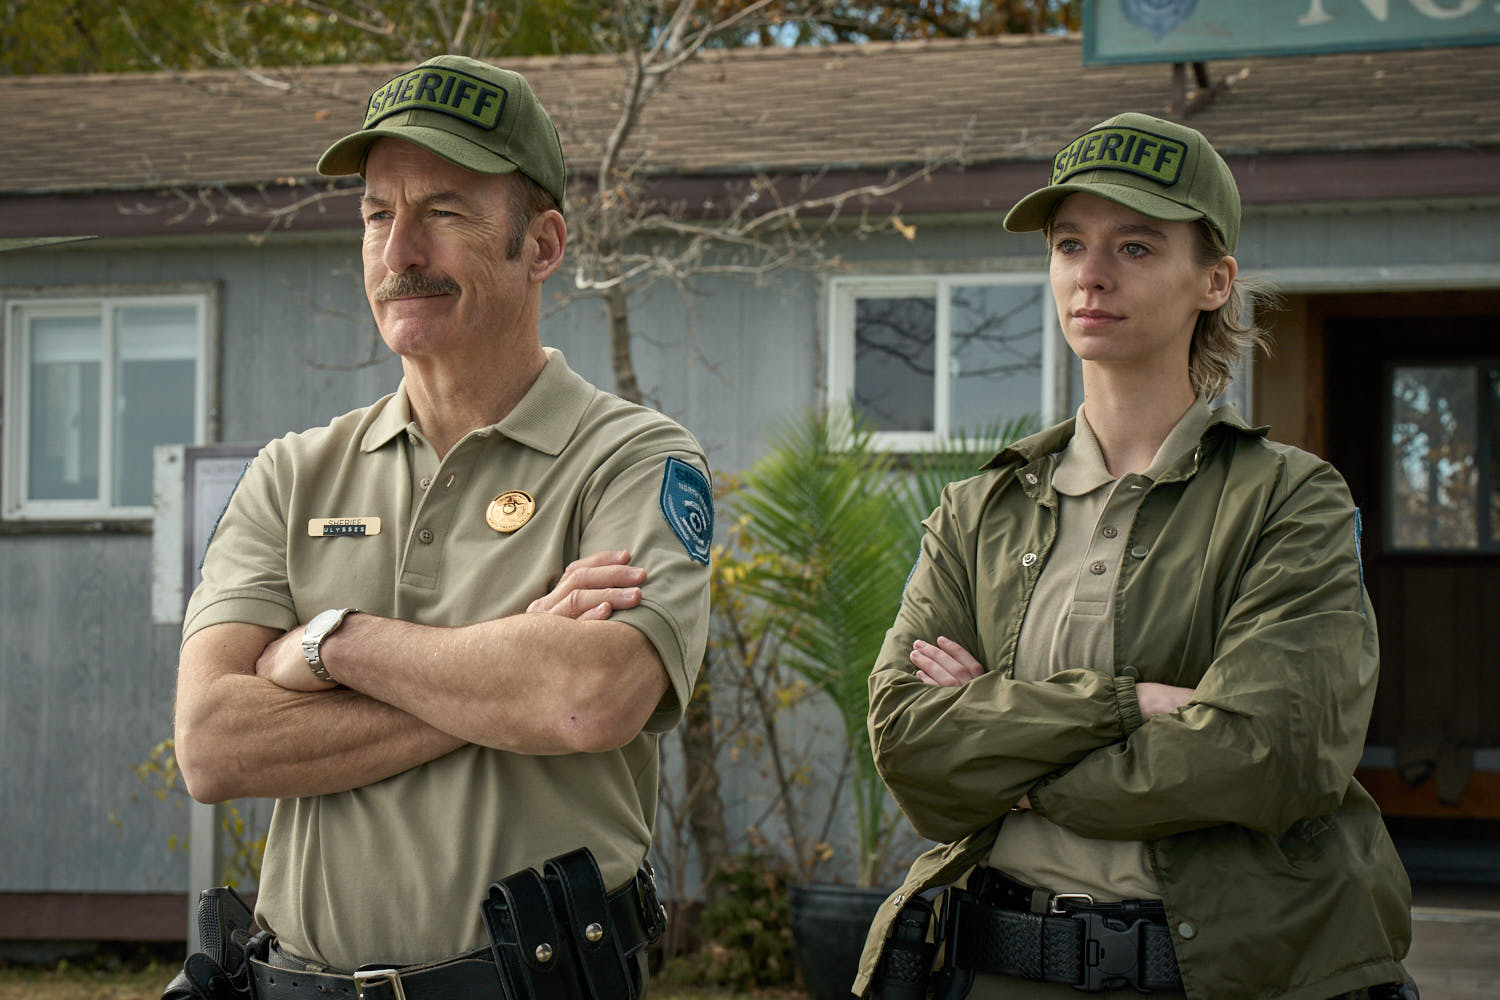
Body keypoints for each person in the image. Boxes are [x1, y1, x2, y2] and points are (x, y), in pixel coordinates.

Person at [172, 54, 712, 998]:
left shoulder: (634, 459)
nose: (400, 254)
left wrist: (333, 642)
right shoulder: (295, 473)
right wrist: (506, 668)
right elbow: (214, 745)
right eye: (380, 213)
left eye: (445, 213)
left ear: (541, 246)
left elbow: (585, 700)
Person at [855, 113, 1414, 1000]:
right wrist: (1132, 706)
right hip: (998, 968)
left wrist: (1015, 769)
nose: (1093, 273)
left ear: (1214, 282)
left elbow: (1275, 753)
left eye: (1138, 247)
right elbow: (910, 743)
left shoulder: (1288, 499)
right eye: (1070, 243)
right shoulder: (978, 511)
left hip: (1220, 973)